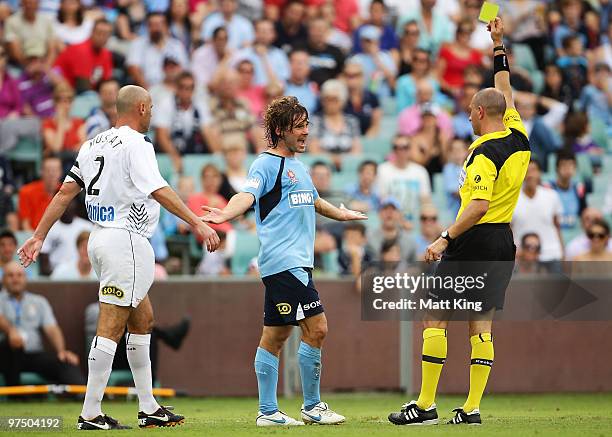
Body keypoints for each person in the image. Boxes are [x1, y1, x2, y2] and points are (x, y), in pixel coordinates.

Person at [18, 85, 220, 430]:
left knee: (142, 320)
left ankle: (149, 407)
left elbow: (66, 191)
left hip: (101, 239)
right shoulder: (137, 144)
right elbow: (158, 188)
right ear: (141, 108)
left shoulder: (93, 143)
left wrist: (39, 235)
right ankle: (90, 413)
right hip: (124, 239)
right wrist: (198, 223)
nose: (153, 113)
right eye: (152, 107)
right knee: (111, 323)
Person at [388, 18, 530, 426]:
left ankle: (427, 405)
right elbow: (504, 88)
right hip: (504, 242)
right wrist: (498, 45)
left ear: (481, 112)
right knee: (481, 326)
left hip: (476, 239)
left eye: (470, 112)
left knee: (435, 315)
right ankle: (471, 409)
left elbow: (478, 206)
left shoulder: (484, 152)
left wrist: (445, 238)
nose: (467, 118)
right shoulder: (520, 135)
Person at [202, 96, 366, 426]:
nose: (306, 132)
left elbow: (315, 201)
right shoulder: (265, 164)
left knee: (275, 337)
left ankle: (267, 412)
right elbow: (246, 196)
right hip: (285, 262)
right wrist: (227, 213)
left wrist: (342, 214)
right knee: (317, 328)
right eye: (300, 126)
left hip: (291, 264)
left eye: (307, 125)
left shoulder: (298, 166)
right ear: (280, 130)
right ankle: (313, 406)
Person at [0, 261, 85, 386]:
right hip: (5, 355)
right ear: (3, 279)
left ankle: (82, 394)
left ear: (25, 278)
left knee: (65, 361)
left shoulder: (39, 301)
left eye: (19, 275)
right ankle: (17, 397)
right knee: (10, 347)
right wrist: (11, 331)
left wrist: (61, 351)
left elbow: (51, 328)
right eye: (10, 275)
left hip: (33, 354)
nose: (15, 279)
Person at [513, 160, 565, 265]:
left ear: (540, 173)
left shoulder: (552, 196)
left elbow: (557, 226)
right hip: (522, 258)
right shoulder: (511, 199)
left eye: (533, 170)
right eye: (526, 171)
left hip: (551, 254)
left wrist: (562, 252)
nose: (530, 174)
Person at [375, 134, 431, 221]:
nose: (401, 151)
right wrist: (400, 220)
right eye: (397, 147)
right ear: (393, 150)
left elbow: (425, 200)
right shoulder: (383, 170)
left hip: (415, 221)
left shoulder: (420, 171)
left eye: (405, 147)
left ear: (410, 149)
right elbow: (382, 199)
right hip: (390, 220)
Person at [308, 79, 362, 170]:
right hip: (322, 168)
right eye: (327, 99)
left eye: (335, 99)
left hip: (347, 168)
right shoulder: (316, 120)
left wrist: (343, 161)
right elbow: (313, 149)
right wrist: (332, 160)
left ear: (342, 100)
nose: (331, 103)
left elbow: (356, 149)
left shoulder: (351, 121)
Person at [126, 12, 189, 89]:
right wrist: (148, 91)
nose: (156, 28)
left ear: (166, 26)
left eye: (159, 24)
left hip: (173, 89)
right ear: (147, 27)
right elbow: (133, 68)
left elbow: (184, 69)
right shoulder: (138, 44)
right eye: (152, 25)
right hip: (147, 89)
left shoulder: (176, 45)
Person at [53, 18, 114, 93]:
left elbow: (106, 81)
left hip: (83, 92)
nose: (102, 37)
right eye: (99, 33)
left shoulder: (106, 54)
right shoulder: (81, 50)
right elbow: (82, 86)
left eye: (105, 34)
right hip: (61, 90)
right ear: (92, 32)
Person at [39, 198, 92, 275]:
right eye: (64, 203)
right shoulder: (49, 228)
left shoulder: (87, 226)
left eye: (70, 203)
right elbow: (44, 260)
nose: (67, 206)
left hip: (83, 271)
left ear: (75, 205)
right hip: (57, 273)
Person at [543, 149, 588, 230]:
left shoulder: (579, 188)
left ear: (575, 168)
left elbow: (584, 213)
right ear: (557, 168)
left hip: (574, 230)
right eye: (564, 165)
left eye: (571, 165)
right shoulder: (547, 187)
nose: (568, 169)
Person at [366, 197, 417, 264]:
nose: (389, 213)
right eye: (385, 209)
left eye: (393, 209)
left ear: (400, 214)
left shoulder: (409, 241)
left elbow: (415, 267)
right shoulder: (369, 239)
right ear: (379, 213)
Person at [18, 155, 62, 231]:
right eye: (48, 170)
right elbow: (25, 224)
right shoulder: (27, 192)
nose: (51, 174)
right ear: (41, 172)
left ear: (60, 172)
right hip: (35, 235)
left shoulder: (67, 192)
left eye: (55, 170)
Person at [342, 61, 382, 137]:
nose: (352, 79)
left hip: (367, 139)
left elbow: (375, 124)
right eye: (348, 75)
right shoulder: (340, 98)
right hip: (345, 139)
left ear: (362, 76)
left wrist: (365, 142)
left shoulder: (372, 97)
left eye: (356, 75)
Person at [284, 49, 318, 114]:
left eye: (303, 62)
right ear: (288, 65)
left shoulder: (314, 88)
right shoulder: (281, 87)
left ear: (309, 67)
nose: (299, 67)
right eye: (295, 62)